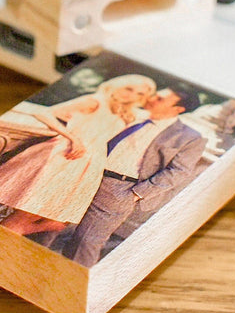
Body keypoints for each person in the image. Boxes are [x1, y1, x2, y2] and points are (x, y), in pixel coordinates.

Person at [0, 74, 156, 234]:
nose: (131, 95)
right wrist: (73, 138)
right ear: (117, 85)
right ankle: (0, 243)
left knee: (47, 212)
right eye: (129, 88)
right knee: (25, 213)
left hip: (90, 161)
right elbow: (46, 114)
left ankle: (33, 229)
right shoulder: (94, 101)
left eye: (139, 93)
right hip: (67, 155)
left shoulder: (127, 112)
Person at [64, 87, 206, 267]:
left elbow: (179, 171)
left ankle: (73, 285)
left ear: (178, 109)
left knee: (86, 242)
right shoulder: (129, 114)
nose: (152, 98)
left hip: (120, 189)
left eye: (160, 99)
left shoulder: (189, 137)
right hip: (83, 173)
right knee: (47, 224)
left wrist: (136, 194)